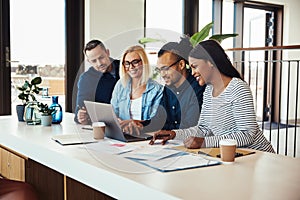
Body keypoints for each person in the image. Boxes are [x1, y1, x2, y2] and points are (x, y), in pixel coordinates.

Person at [150, 40, 274, 153]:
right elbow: (203, 129)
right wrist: (173, 134)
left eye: (195, 66)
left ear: (210, 62)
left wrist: (204, 142)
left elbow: (247, 135)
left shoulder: (237, 88)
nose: (192, 73)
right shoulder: (209, 91)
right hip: (232, 156)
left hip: (258, 155)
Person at [140, 37, 206, 133]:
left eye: (166, 68)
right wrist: (139, 125)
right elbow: (158, 120)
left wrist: (166, 128)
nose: (162, 74)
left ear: (181, 65)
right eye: (159, 70)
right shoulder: (168, 88)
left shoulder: (198, 88)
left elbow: (189, 126)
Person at [111, 45, 163, 133]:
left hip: (145, 135)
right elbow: (113, 112)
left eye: (135, 62)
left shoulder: (157, 90)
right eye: (127, 63)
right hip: (124, 134)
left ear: (143, 62)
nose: (131, 67)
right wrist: (118, 122)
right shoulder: (120, 85)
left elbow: (154, 122)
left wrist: (134, 123)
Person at [74, 39, 120, 125]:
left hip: (131, 123)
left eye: (101, 58)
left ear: (107, 52)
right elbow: (80, 109)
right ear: (88, 61)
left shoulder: (125, 67)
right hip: (106, 126)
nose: (99, 63)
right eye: (94, 61)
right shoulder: (86, 79)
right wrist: (81, 116)